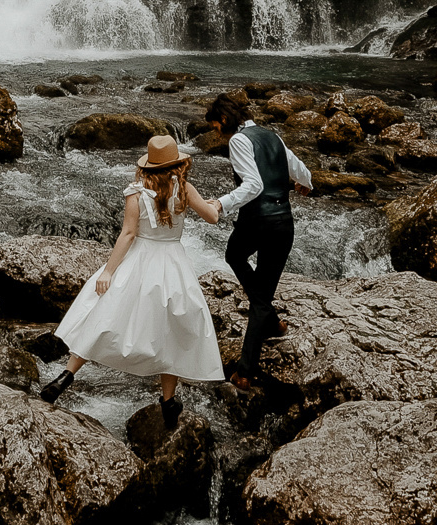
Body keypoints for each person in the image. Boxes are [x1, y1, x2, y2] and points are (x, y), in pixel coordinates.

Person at [41, 134, 225, 424]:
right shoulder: (185, 189)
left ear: (148, 166)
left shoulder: (135, 192)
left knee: (104, 314)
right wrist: (215, 204)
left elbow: (128, 234)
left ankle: (66, 376)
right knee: (172, 329)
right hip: (172, 264)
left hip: (138, 260)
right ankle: (167, 402)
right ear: (176, 164)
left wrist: (108, 272)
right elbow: (212, 218)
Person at [216, 115, 313, 385]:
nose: (217, 134)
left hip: (256, 222)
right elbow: (302, 171)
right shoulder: (273, 136)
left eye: (215, 127)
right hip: (284, 223)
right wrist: (307, 184)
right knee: (243, 264)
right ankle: (272, 322)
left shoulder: (238, 139)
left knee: (239, 263)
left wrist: (221, 204)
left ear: (224, 119)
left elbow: (254, 185)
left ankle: (245, 372)